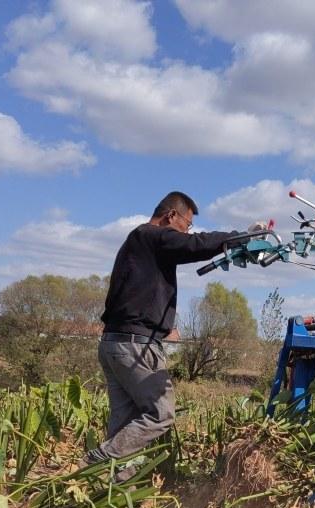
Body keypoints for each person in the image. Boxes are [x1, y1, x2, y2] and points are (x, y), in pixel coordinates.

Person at [81, 190, 258, 480]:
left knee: (125, 423)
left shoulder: (141, 245)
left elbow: (188, 244)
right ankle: (98, 460)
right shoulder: (149, 236)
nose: (188, 232)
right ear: (171, 216)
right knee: (160, 414)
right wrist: (240, 237)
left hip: (115, 343)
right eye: (187, 225)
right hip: (135, 346)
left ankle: (113, 490)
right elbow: (193, 245)